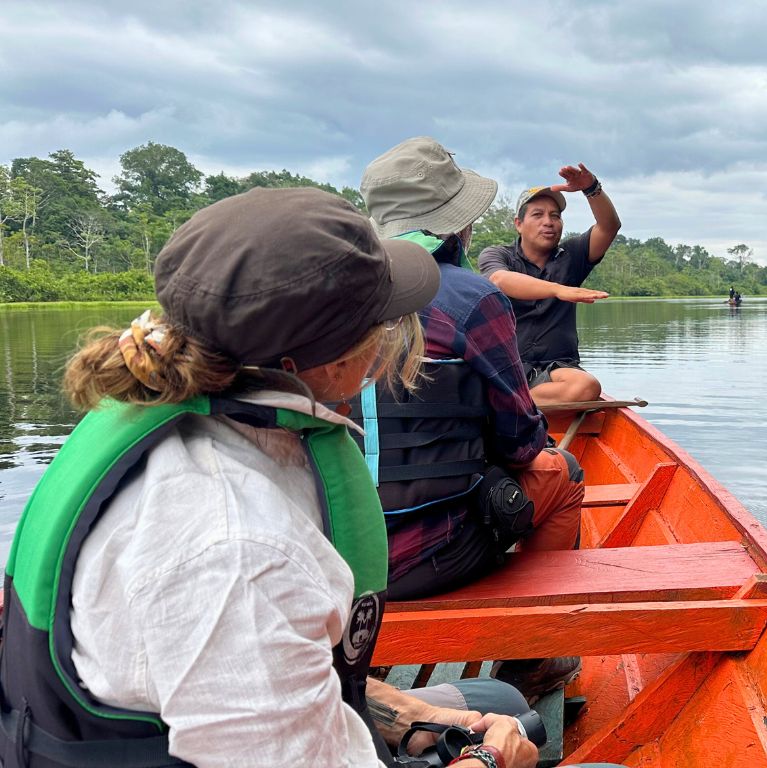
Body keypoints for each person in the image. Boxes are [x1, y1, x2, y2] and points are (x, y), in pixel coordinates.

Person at [0, 187, 540, 768]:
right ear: (330, 364)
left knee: (501, 701)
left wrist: (403, 714)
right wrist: (487, 763)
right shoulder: (237, 544)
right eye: (383, 322)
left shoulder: (163, 415)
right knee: (522, 735)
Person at [358, 137, 585, 701]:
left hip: (333, 565)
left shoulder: (323, 298)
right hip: (429, 555)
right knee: (563, 472)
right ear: (458, 228)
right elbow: (522, 443)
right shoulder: (471, 295)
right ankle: (531, 657)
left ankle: (372, 659)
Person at [478, 165, 621, 407]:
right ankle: (511, 408)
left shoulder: (573, 255)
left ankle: (505, 409)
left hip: (558, 371)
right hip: (507, 369)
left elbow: (609, 227)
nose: (549, 222)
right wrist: (559, 289)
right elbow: (499, 280)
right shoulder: (497, 255)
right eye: (538, 215)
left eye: (555, 215)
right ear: (518, 224)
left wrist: (591, 188)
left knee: (586, 386)